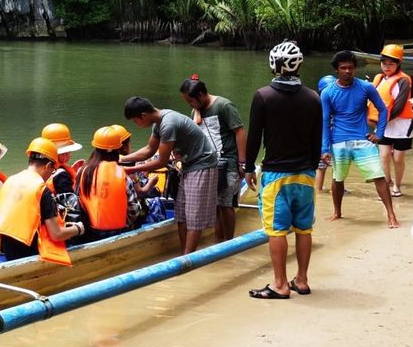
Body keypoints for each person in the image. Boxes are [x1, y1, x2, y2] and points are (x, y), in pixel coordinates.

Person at [244, 41, 322, 299]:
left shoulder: (263, 96)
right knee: (304, 228)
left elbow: (254, 137)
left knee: (276, 230)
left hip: (276, 174)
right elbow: (316, 139)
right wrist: (310, 168)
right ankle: (301, 279)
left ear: (274, 65)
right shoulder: (313, 97)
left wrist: (247, 167)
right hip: (305, 174)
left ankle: (279, 284)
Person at [121, 96, 217, 254]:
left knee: (193, 215)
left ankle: (188, 258)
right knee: (181, 214)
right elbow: (149, 150)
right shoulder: (158, 123)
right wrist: (123, 159)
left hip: (202, 164)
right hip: (188, 165)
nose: (136, 124)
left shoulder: (168, 123)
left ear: (143, 115)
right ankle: (184, 254)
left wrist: (129, 170)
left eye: (135, 121)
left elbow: (160, 162)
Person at [321, 50, 397, 227]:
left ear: (355, 69)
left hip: (363, 139)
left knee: (378, 175)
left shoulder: (365, 87)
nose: (347, 71)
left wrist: (379, 133)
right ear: (337, 70)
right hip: (338, 141)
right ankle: (337, 212)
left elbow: (383, 109)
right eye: (343, 68)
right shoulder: (327, 93)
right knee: (338, 178)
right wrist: (324, 149)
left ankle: (391, 215)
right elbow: (324, 122)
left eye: (350, 68)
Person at [0, 137, 83, 263]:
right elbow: (56, 235)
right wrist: (77, 229)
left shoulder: (10, 181)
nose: (52, 173)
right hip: (26, 253)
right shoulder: (42, 190)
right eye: (53, 170)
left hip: (7, 250)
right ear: (48, 166)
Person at [180, 76, 247, 242]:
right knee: (215, 206)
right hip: (209, 165)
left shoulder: (223, 106)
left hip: (229, 162)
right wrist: (196, 109)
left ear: (201, 94)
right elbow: (195, 129)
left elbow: (239, 132)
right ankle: (218, 243)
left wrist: (242, 162)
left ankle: (228, 243)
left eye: (191, 101)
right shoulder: (196, 110)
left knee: (226, 205)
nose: (189, 105)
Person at [77, 126, 144, 240]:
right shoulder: (121, 174)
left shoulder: (82, 171)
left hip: (90, 230)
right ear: (118, 149)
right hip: (117, 231)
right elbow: (134, 211)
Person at [368, 44, 413, 198]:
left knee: (398, 158)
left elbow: (399, 106)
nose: (387, 67)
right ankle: (387, 182)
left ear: (398, 64)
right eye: (384, 63)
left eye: (391, 64)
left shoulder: (404, 81)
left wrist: (381, 121)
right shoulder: (379, 78)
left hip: (401, 125)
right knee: (384, 156)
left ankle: (397, 185)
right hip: (383, 125)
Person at [40, 122, 86, 230]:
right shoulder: (61, 176)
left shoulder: (42, 168)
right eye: (67, 151)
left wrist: (72, 171)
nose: (69, 154)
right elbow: (71, 208)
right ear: (61, 153)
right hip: (60, 225)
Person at [315, 73, 336, 192]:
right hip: (325, 141)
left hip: (326, 140)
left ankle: (320, 190)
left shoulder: (317, 104)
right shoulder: (322, 105)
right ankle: (319, 189)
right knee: (323, 167)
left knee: (324, 167)